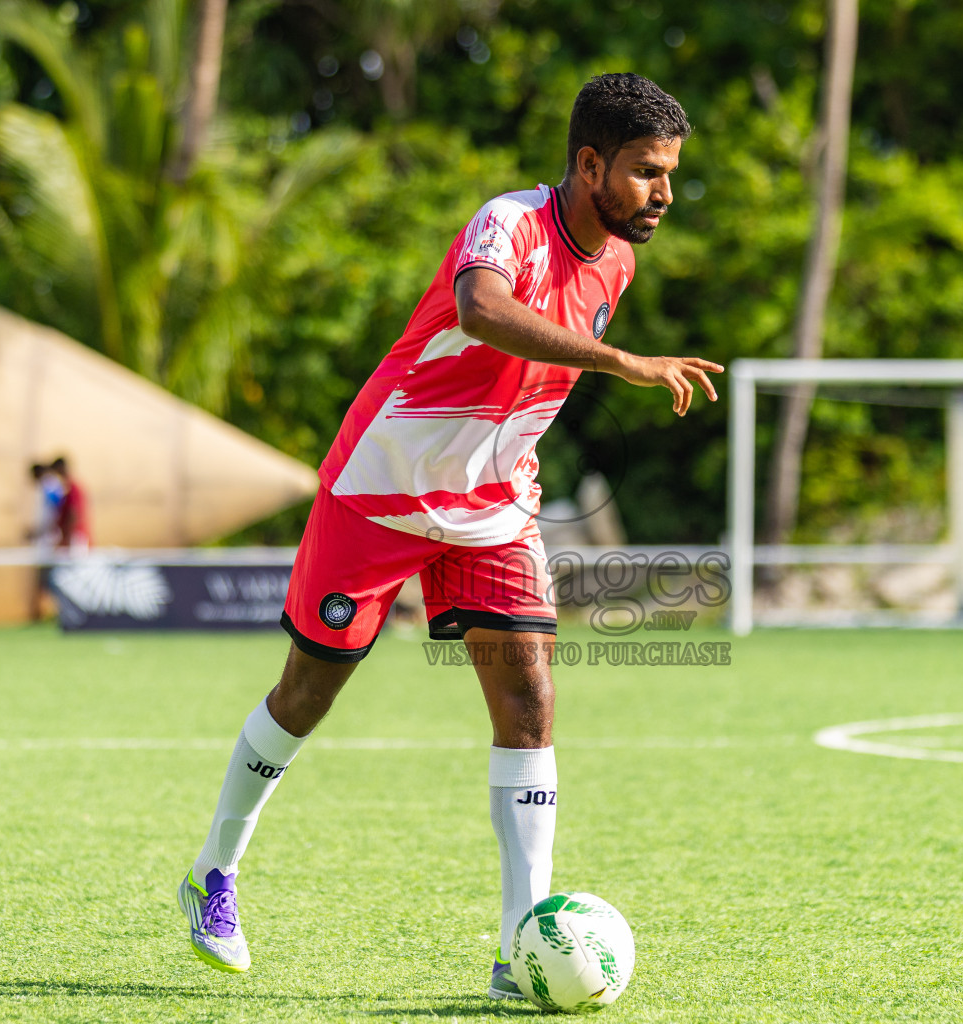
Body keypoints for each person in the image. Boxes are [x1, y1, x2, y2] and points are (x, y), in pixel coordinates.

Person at [176, 73, 721, 996]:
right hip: (380, 490)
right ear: (590, 164)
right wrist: (620, 360)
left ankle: (522, 950)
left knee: (530, 701)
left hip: (495, 508)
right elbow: (482, 311)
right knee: (307, 692)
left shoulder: (620, 262)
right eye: (644, 172)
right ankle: (213, 874)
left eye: (669, 173)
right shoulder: (508, 222)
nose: (663, 192)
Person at [28, 463, 65, 621]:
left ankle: (48, 614)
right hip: (47, 540)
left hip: (50, 542)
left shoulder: (50, 487)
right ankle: (42, 613)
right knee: (44, 578)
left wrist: (39, 532)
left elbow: (54, 514)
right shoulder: (49, 487)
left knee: (49, 578)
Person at [50, 457, 90, 553]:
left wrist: (66, 538)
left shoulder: (72, 487)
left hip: (74, 538)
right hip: (72, 537)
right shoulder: (69, 487)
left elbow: (73, 513)